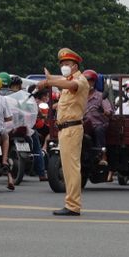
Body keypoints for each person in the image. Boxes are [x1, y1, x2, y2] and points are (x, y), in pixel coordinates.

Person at [37, 48, 89, 216]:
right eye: (62, 64)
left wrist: (49, 82)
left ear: (75, 66)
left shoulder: (79, 80)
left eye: (67, 64)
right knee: (67, 168)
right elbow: (61, 81)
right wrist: (48, 79)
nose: (64, 67)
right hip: (65, 129)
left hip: (72, 128)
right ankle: (71, 203)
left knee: (71, 168)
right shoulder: (67, 80)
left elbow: (69, 84)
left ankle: (73, 205)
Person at [82, 70, 113, 178]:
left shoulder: (100, 96)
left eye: (91, 81)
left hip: (98, 124)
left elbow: (109, 111)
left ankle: (102, 157)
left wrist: (105, 111)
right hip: (83, 124)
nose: (88, 83)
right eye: (86, 81)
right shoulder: (79, 97)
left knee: (99, 130)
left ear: (94, 83)